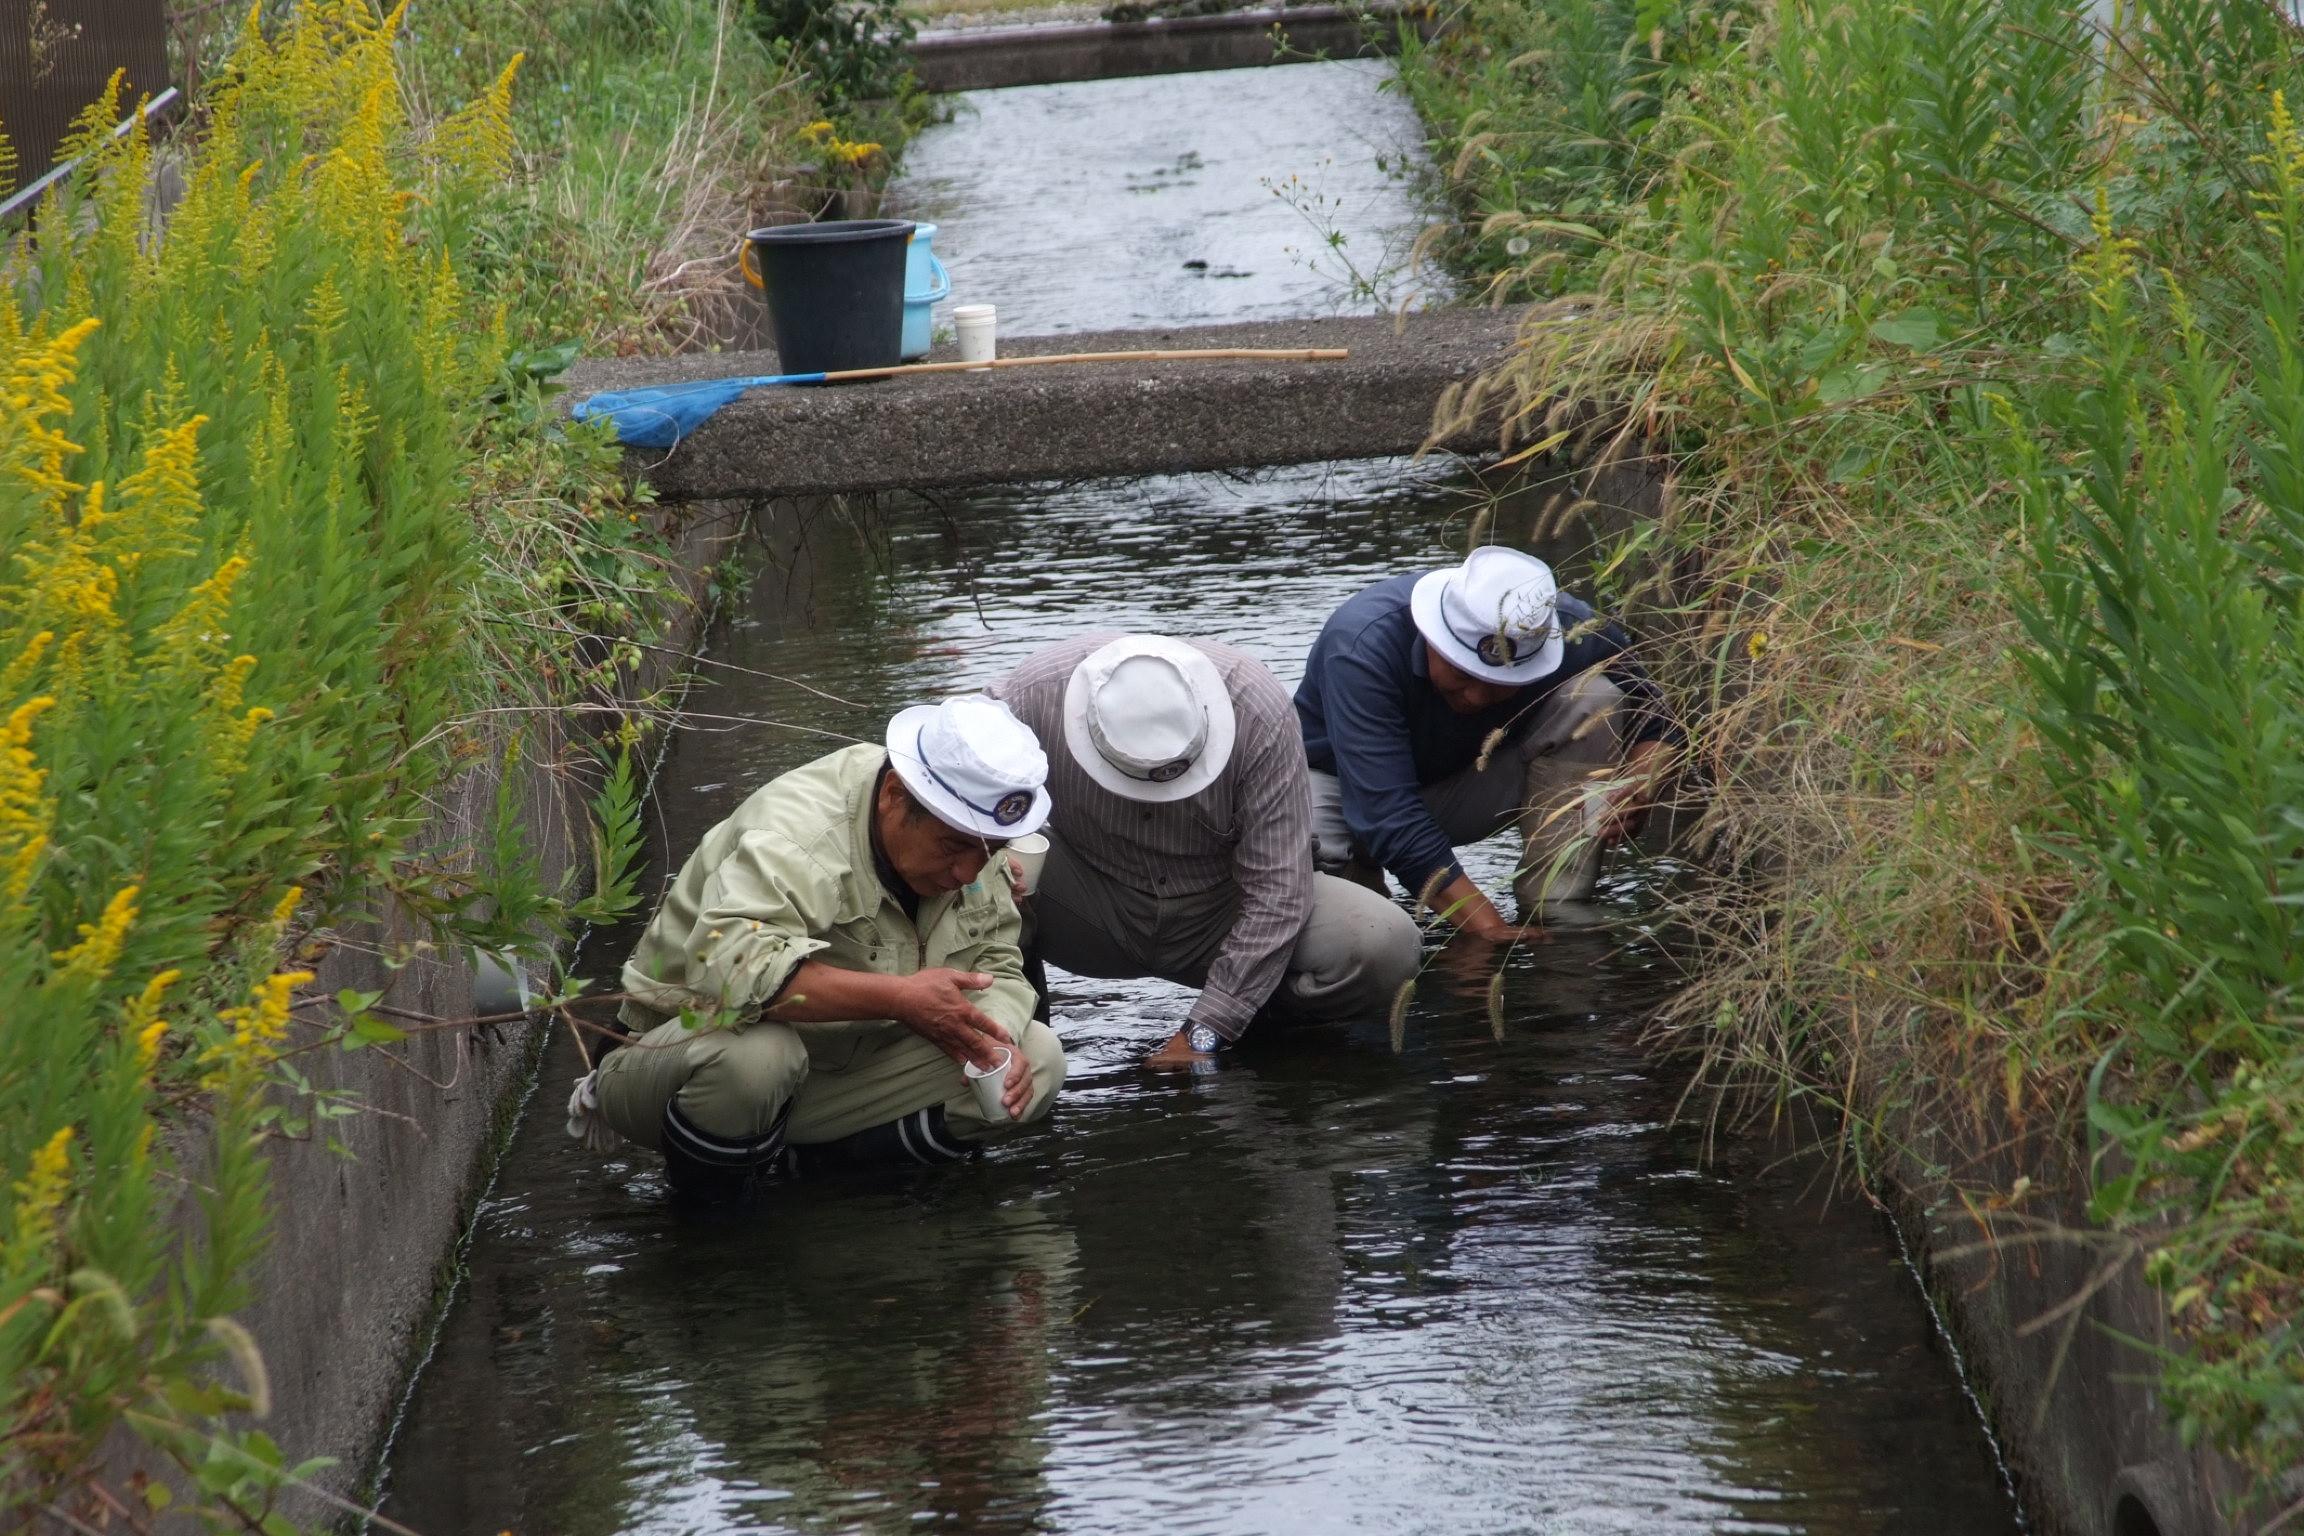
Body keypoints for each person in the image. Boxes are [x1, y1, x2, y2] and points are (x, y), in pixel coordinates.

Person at [570, 695, 1068, 1199]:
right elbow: (728, 969)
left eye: (990, 852)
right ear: (893, 795)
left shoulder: (977, 847)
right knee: (759, 1060)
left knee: (1037, 1057)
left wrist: (992, 1036)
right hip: (678, 1055)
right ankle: (712, 1231)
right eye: (951, 847)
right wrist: (901, 999)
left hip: (841, 1071)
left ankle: (822, 1170)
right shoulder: (798, 830)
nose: (967, 874)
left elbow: (1001, 963)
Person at [988, 633, 1422, 1066]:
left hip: (1221, 904)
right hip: (1089, 901)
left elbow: (1278, 892)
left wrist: (1207, 1030)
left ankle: (1268, 1041)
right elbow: (946, 793)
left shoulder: (1258, 712)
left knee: (1383, 945)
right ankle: (1011, 1048)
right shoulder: (1031, 696)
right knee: (978, 871)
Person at [1295, 546, 1679, 944]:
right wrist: (1487, 926)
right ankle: (1364, 894)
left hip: (1466, 784)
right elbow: (1386, 814)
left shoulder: (1571, 629)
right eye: (1462, 673)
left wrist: (1638, 785)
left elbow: (1661, 719)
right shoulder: (1361, 644)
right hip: (1337, 790)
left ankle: (1558, 908)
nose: (1477, 698)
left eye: (1501, 684)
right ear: (1433, 638)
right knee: (1352, 929)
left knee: (1595, 698)